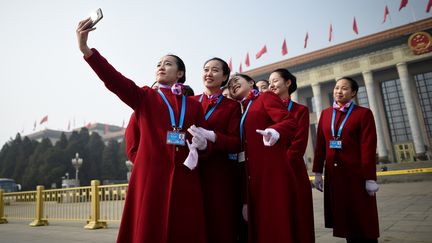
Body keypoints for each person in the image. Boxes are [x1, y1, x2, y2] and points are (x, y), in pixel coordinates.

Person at [76, 18, 209, 243]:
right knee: (148, 229)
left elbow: (204, 138)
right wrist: (86, 50)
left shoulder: (194, 104)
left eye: (168, 63)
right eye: (159, 63)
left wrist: (203, 144)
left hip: (186, 176)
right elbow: (115, 81)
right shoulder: (146, 96)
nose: (161, 66)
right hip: (150, 176)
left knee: (184, 228)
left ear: (180, 74)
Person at [227, 73, 298, 243]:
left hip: (271, 174)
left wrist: (275, 131)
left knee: (276, 226)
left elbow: (289, 122)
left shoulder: (265, 98)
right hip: (252, 177)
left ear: (251, 83)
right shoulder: (241, 109)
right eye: (230, 85)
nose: (233, 85)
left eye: (237, 81)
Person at [312, 77, 380, 243]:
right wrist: (318, 172)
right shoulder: (326, 114)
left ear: (353, 92)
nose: (339, 92)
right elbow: (320, 144)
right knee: (345, 220)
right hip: (335, 175)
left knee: (362, 219)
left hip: (356, 175)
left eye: (344, 88)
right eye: (336, 88)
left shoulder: (363, 114)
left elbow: (368, 147)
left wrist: (370, 177)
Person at [187, 57, 242, 243]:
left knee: (220, 225)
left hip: (219, 175)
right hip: (192, 172)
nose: (209, 74)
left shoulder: (232, 106)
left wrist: (213, 137)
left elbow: (236, 142)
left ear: (224, 76)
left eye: (215, 70)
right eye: (206, 69)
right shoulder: (189, 102)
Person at [269, 68, 315, 243]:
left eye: (275, 81)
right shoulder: (266, 109)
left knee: (299, 217)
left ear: (288, 83)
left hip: (292, 170)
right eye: (270, 81)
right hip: (271, 171)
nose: (271, 84)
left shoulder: (300, 110)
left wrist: (282, 164)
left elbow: (299, 143)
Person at [125, 82, 193, 163]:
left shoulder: (175, 116)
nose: (159, 92)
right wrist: (147, 165)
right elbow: (132, 150)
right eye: (155, 89)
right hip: (149, 169)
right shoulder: (139, 114)